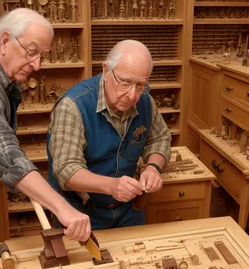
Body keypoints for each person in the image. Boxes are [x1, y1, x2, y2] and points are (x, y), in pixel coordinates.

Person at [0, 8, 91, 248]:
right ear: (5, 41)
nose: (37, 65)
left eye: (42, 56)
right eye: (31, 52)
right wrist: (62, 207)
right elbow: (3, 150)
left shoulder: (4, 75)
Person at [47, 40, 172, 230]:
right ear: (106, 70)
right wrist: (112, 186)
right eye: (125, 83)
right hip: (80, 213)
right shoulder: (73, 106)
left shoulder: (144, 101)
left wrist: (153, 168)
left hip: (128, 211)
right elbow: (66, 169)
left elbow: (160, 138)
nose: (132, 95)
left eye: (140, 85)